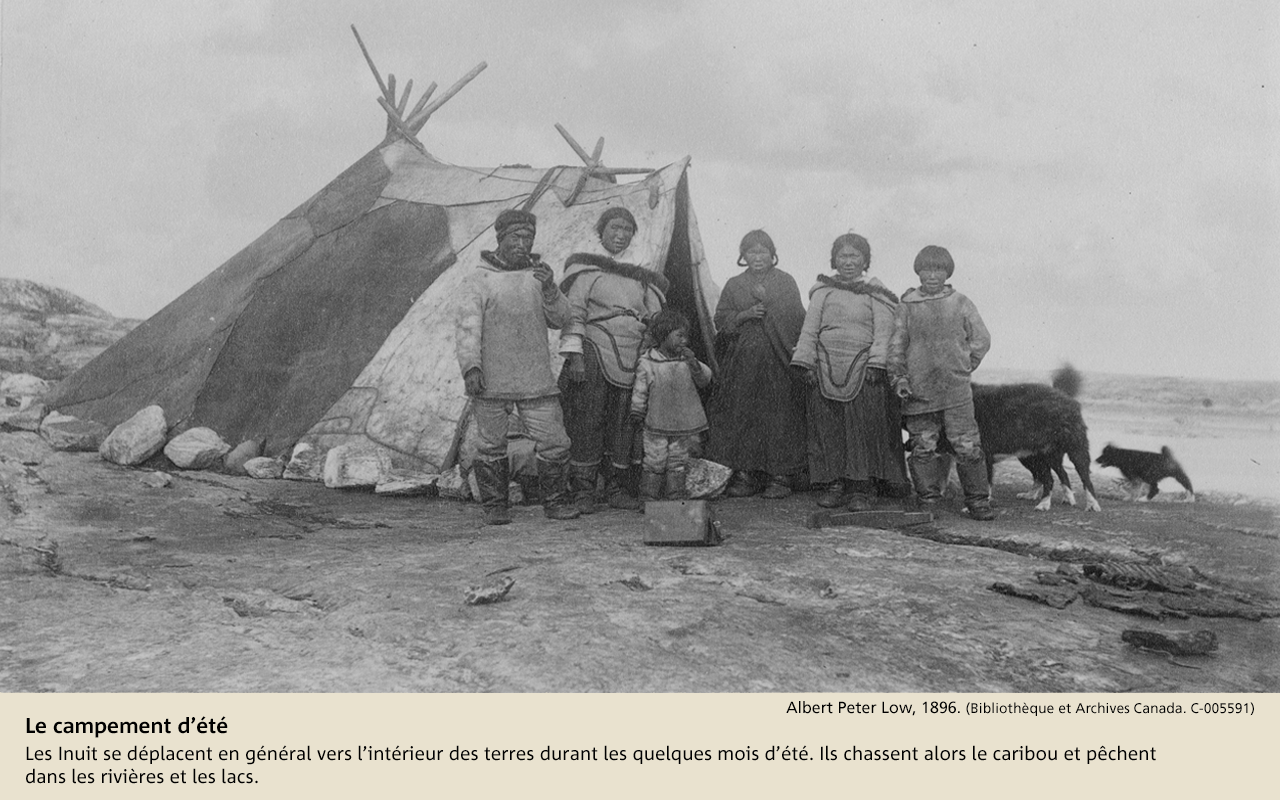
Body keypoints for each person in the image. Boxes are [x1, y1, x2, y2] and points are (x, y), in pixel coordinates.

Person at [456, 208, 581, 525]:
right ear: (500, 238)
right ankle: (495, 506)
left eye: (528, 237)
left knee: (555, 441)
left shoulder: (539, 278)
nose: (522, 243)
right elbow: (468, 328)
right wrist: (472, 368)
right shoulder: (479, 280)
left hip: (534, 376)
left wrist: (552, 288)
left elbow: (562, 319)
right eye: (516, 236)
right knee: (490, 444)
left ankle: (555, 502)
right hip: (492, 378)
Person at [558, 207, 669, 513]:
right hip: (595, 345)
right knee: (588, 416)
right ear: (601, 231)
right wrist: (575, 356)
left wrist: (652, 338)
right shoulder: (586, 270)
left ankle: (616, 487)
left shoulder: (639, 276)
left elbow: (654, 316)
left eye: (626, 230)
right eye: (614, 229)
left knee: (623, 420)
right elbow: (574, 312)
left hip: (632, 350)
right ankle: (583, 489)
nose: (620, 235)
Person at [791, 233, 909, 510]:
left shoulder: (877, 295)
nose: (848, 262)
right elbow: (809, 330)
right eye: (843, 256)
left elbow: (884, 332)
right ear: (834, 260)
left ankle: (861, 488)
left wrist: (876, 364)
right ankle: (834, 484)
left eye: (854, 256)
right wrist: (806, 363)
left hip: (862, 367)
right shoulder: (822, 292)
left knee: (861, 431)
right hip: (826, 365)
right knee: (828, 429)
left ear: (865, 261)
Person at [887, 245, 995, 521]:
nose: (932, 275)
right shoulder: (907, 306)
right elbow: (896, 346)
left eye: (938, 269)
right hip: (919, 392)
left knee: (968, 445)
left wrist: (964, 365)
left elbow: (981, 339)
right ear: (918, 271)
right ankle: (928, 500)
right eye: (926, 269)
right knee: (923, 446)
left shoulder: (960, 302)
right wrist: (899, 377)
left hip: (955, 392)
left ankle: (978, 502)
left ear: (947, 272)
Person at [705, 229, 807, 498]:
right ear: (743, 255)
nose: (757, 256)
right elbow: (721, 320)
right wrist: (744, 315)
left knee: (779, 415)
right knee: (745, 413)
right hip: (743, 364)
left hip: (777, 362)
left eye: (763, 251)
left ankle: (780, 477)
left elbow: (796, 317)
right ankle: (746, 475)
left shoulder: (785, 282)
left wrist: (770, 303)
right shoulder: (734, 284)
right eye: (751, 251)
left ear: (772, 254)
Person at [629, 309, 713, 500]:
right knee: (655, 460)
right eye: (679, 335)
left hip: (682, 422)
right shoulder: (648, 362)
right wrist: (637, 411)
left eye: (686, 336)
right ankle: (649, 498)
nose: (684, 341)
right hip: (657, 421)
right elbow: (640, 389)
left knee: (678, 460)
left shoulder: (687, 360)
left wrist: (694, 363)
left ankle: (676, 496)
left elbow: (704, 380)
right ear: (663, 335)